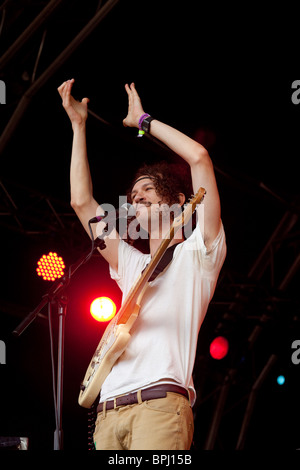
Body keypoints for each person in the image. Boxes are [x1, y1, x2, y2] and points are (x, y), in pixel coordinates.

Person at [57, 79, 226, 450]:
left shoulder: (200, 252)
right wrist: (78, 127)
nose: (137, 196)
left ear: (179, 201)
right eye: (133, 194)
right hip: (108, 412)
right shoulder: (132, 264)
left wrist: (143, 121)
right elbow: (82, 202)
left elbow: (198, 157)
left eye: (148, 188)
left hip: (160, 409)